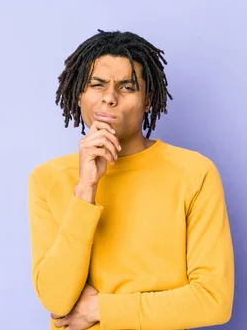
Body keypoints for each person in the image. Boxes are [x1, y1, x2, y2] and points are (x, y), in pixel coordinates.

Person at [27, 29, 234, 330]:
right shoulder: (47, 179)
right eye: (97, 85)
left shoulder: (194, 173)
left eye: (126, 87)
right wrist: (85, 190)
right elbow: (57, 300)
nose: (109, 98)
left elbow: (214, 300)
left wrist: (100, 309)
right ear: (79, 95)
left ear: (148, 100)